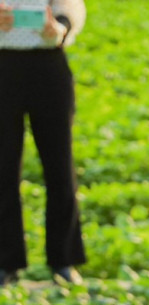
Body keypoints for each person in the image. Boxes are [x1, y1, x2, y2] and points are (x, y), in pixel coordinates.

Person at [0, 0, 87, 285]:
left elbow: (70, 6)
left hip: (48, 64)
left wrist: (59, 27)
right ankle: (5, 262)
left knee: (59, 166)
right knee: (2, 169)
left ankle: (64, 260)